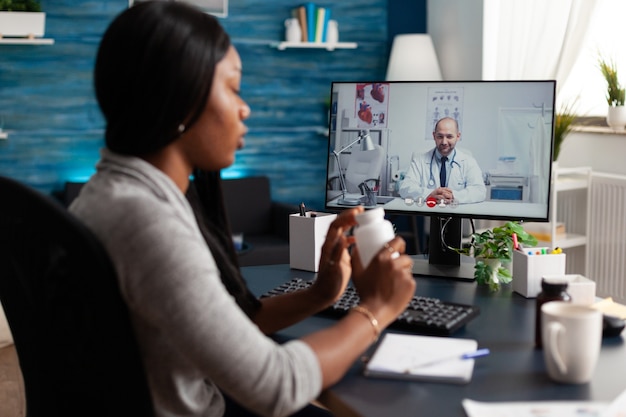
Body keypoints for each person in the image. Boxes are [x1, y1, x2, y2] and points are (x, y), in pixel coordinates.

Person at [69, 2, 416, 417]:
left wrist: (322, 294)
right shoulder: (147, 223)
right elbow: (276, 385)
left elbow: (227, 330)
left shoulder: (113, 194)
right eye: (233, 88)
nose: (244, 108)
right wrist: (377, 309)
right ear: (180, 99)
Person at [398, 117, 486, 204]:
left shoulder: (468, 162)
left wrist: (453, 196)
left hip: (457, 213)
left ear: (458, 136)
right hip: (428, 213)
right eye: (440, 136)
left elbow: (479, 191)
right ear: (434, 136)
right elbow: (405, 188)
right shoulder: (419, 161)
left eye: (449, 136)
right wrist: (429, 194)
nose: (444, 142)